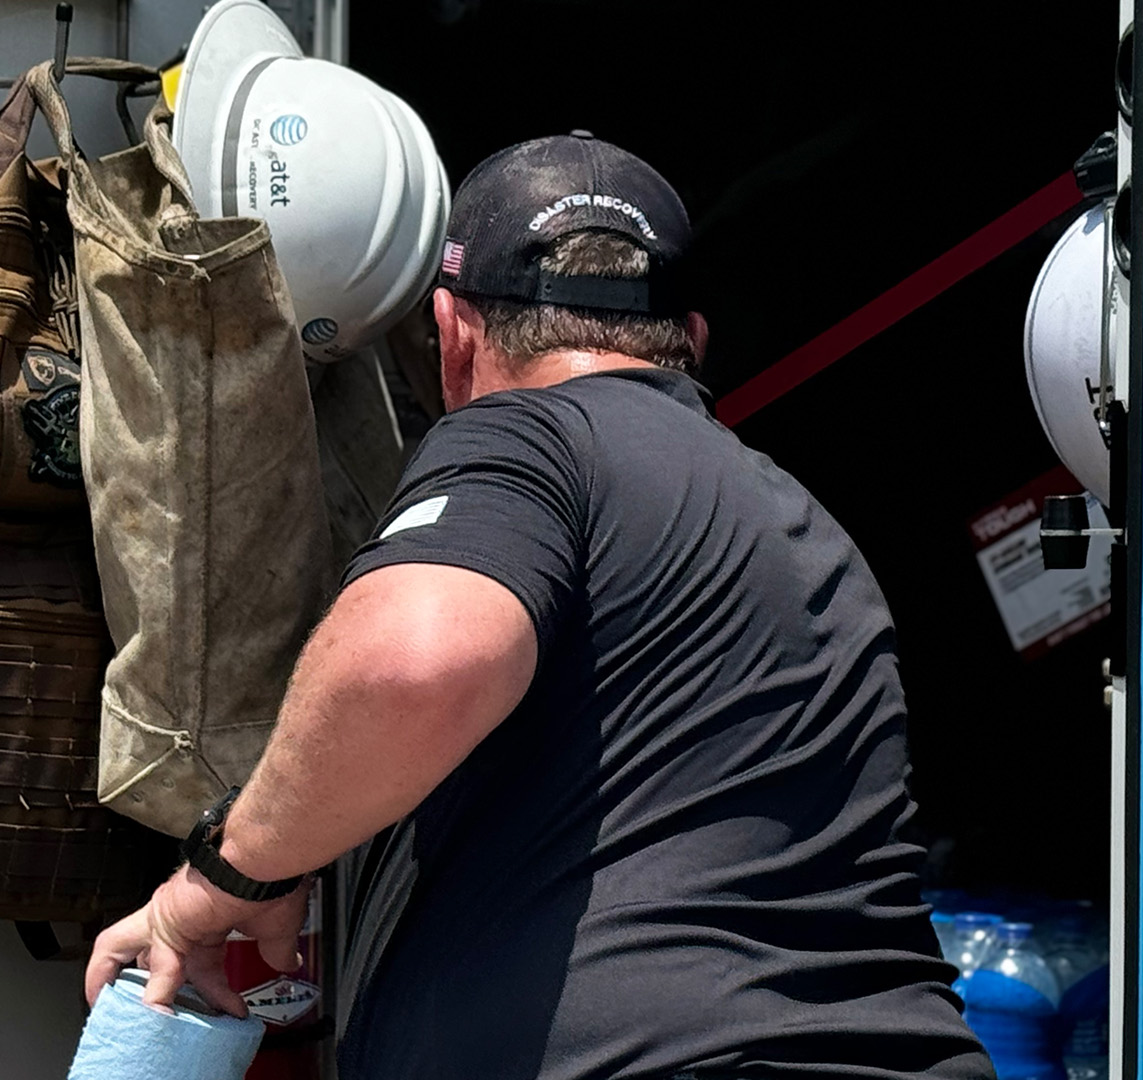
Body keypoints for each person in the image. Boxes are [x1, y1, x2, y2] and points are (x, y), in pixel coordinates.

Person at [85, 131, 992, 1080]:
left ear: (453, 333)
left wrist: (230, 873)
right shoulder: (802, 523)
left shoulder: (526, 438)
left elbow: (414, 660)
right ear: (691, 343)